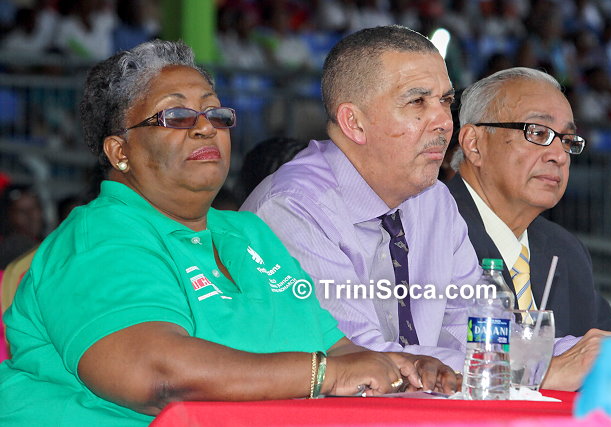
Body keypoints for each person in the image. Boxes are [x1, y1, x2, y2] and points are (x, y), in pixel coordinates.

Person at [0, 40, 457, 426]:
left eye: (215, 114)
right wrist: (326, 376)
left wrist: (399, 366)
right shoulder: (99, 238)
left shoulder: (246, 233)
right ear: (120, 151)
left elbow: (333, 348)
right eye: (175, 116)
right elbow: (155, 375)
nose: (205, 127)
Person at [242, 25, 481, 372]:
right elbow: (362, 360)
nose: (444, 121)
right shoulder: (293, 207)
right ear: (353, 122)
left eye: (445, 101)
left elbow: (475, 323)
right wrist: (510, 366)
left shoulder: (434, 201)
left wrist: (543, 359)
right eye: (417, 101)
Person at [447, 66, 611, 391]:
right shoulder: (430, 228)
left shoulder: (563, 249)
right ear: (474, 144)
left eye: (567, 140)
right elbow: (420, 353)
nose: (559, 155)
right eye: (537, 132)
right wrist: (545, 371)